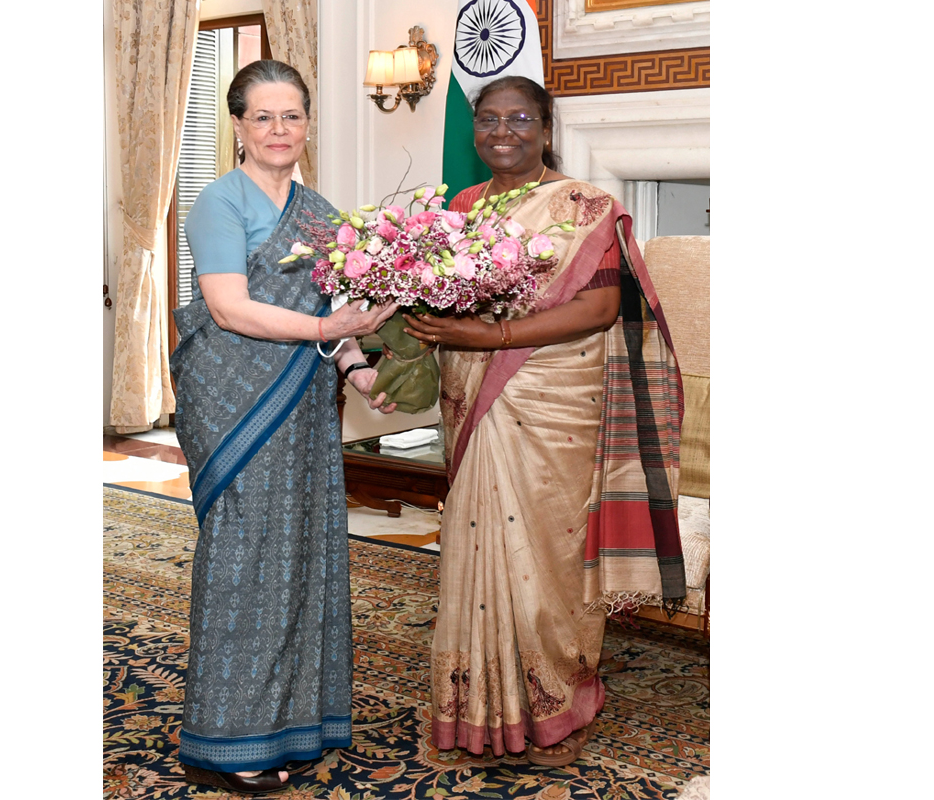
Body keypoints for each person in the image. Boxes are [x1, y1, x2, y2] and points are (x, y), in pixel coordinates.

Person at [403, 76, 687, 767]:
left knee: (552, 559)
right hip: (475, 399)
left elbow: (597, 309)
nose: (503, 132)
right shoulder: (462, 208)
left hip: (554, 402)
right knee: (472, 549)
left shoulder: (585, 206)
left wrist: (488, 340)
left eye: (520, 119)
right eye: (490, 119)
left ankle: (560, 704)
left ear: (546, 129)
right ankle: (477, 713)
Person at [170, 59, 399, 795]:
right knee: (244, 561)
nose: (278, 130)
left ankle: (293, 726)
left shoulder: (322, 213)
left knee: (302, 553)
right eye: (263, 116)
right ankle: (229, 741)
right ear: (237, 124)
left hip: (299, 402)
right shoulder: (218, 204)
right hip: (233, 402)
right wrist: (330, 326)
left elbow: (339, 329)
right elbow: (231, 308)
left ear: (307, 124)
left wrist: (363, 370)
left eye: (291, 116)